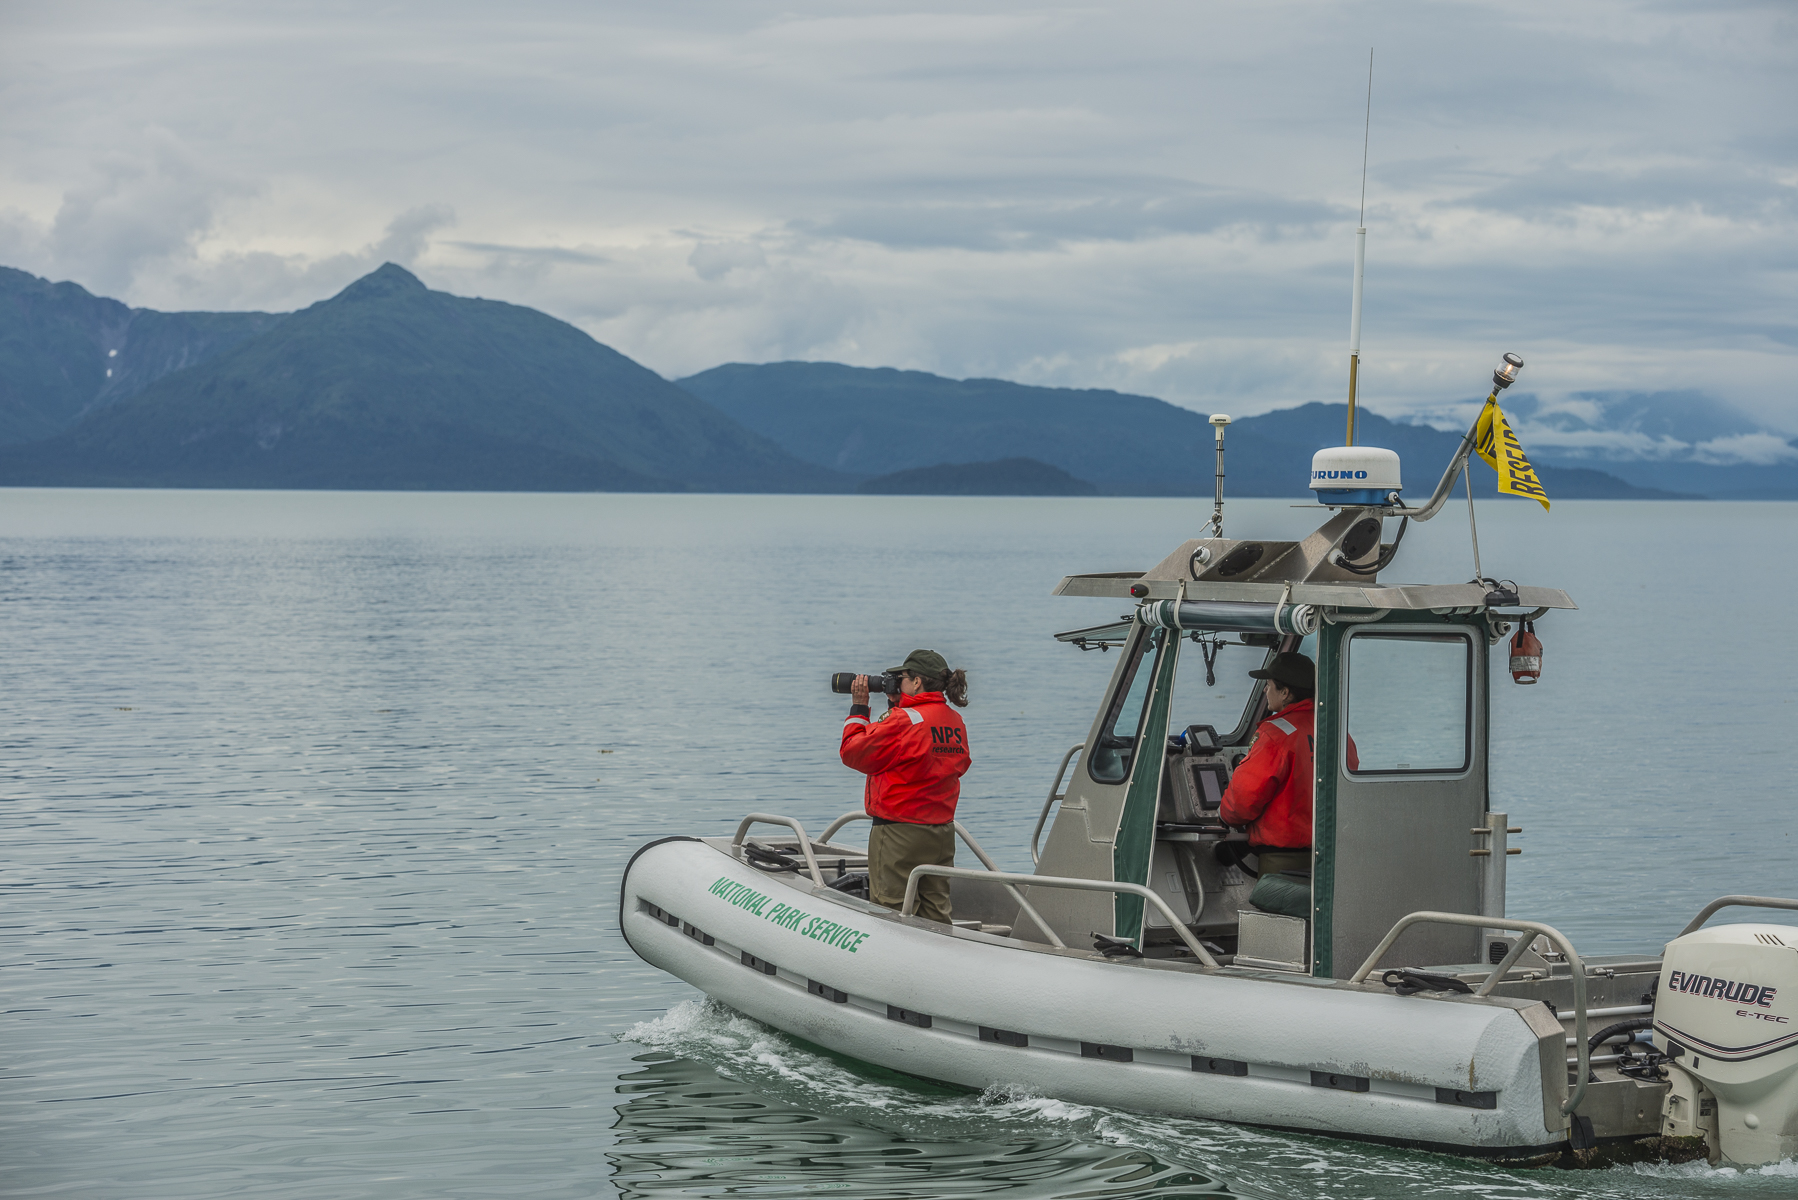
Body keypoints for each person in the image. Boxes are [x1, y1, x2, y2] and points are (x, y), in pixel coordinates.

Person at [1217, 651, 1357, 915]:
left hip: (1281, 862)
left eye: (1268, 685)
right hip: (1330, 859)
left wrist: (1224, 815)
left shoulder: (1276, 734)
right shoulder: (1338, 731)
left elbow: (1242, 802)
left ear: (1285, 693)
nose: (1265, 691)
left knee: (1275, 933)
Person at [840, 649, 970, 924]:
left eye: (902, 678)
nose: (898, 683)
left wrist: (859, 708)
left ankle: (893, 965)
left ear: (917, 682)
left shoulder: (903, 720)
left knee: (892, 913)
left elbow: (853, 752)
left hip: (899, 831)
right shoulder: (953, 720)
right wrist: (896, 706)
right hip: (941, 832)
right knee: (936, 912)